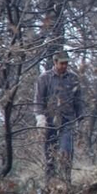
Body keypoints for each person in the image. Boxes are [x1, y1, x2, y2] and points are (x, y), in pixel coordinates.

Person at [33, 52, 85, 182]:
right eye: (62, 63)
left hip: (67, 120)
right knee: (50, 155)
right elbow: (39, 100)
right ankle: (49, 184)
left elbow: (78, 101)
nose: (64, 66)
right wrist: (40, 117)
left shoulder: (73, 78)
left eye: (66, 63)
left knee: (66, 151)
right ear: (55, 63)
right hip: (49, 121)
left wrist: (80, 120)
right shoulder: (44, 78)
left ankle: (66, 181)